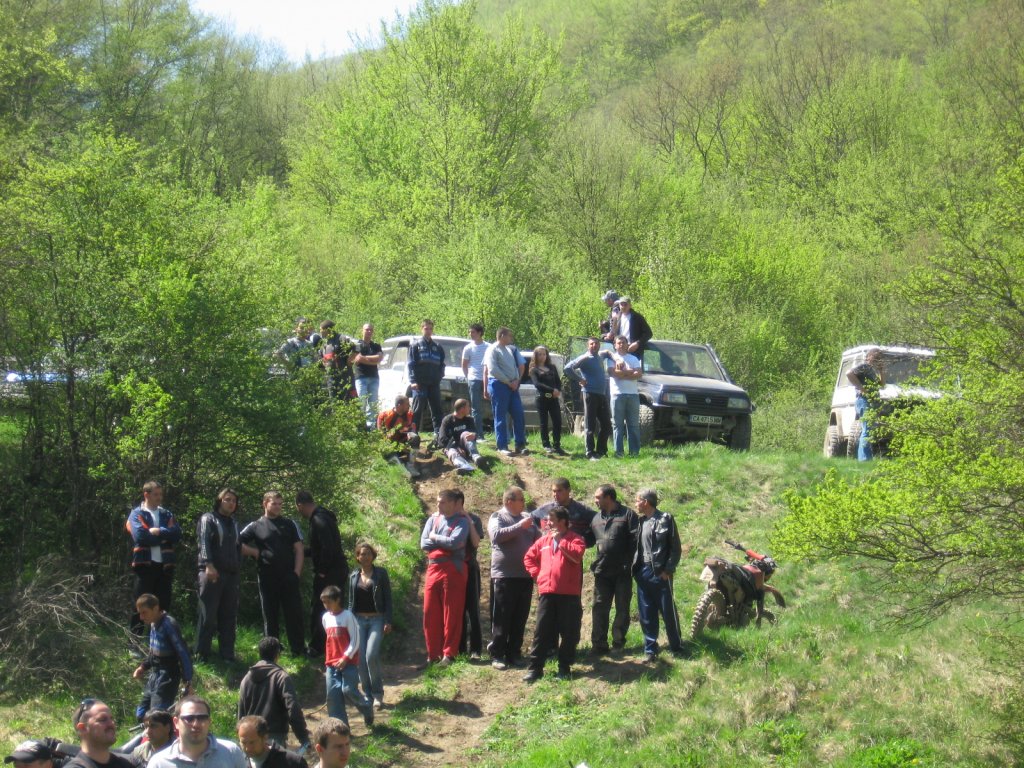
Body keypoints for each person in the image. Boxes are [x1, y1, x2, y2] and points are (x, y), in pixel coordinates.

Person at [522, 505, 586, 683]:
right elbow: (528, 558)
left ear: (562, 522)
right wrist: (537, 574)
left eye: (551, 520)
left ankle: (564, 668)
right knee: (541, 632)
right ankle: (535, 669)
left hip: (569, 595)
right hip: (547, 593)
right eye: (547, 520)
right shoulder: (543, 541)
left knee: (568, 633)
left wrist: (560, 541)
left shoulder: (576, 539)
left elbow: (577, 556)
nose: (548, 523)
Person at [239, 491, 305, 656]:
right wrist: (254, 552)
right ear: (265, 504)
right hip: (267, 577)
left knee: (294, 614)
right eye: (274, 503)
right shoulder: (255, 525)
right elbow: (235, 543)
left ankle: (298, 650)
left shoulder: (290, 524)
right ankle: (272, 651)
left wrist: (297, 572)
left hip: (289, 576)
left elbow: (299, 549)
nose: (277, 507)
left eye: (280, 504)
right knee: (270, 615)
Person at [487, 487, 540, 671]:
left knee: (520, 617)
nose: (524, 502)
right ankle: (497, 654)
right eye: (520, 499)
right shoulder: (498, 516)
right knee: (502, 617)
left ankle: (514, 653)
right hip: (505, 576)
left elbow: (539, 540)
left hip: (525, 576)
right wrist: (520, 526)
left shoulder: (527, 519)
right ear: (509, 501)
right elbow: (496, 535)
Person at [420, 488, 472, 665]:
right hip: (433, 568)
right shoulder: (432, 519)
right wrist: (441, 540)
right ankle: (433, 655)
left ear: (453, 503)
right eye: (437, 501)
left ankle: (449, 654)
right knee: (430, 613)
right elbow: (423, 543)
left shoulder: (462, 521)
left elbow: (455, 542)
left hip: (453, 569)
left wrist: (434, 537)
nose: (438, 505)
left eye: (442, 502)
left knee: (452, 613)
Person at [631, 489, 685, 661]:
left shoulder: (665, 519)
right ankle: (650, 650)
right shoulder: (640, 522)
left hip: (660, 573)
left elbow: (675, 548)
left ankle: (676, 646)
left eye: (637, 500)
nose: (635, 504)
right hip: (643, 572)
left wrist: (667, 570)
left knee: (667, 611)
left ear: (646, 502)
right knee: (646, 612)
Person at [295, 491, 349, 658]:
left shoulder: (318, 520)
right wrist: (301, 552)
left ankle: (317, 647)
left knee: (320, 607)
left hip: (331, 572)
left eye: (298, 508)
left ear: (300, 505)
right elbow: (320, 549)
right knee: (333, 608)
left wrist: (322, 571)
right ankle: (333, 645)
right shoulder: (324, 516)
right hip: (337, 569)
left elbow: (328, 548)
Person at [127, 480, 181, 635]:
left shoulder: (166, 514)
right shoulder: (137, 513)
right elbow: (141, 536)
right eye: (156, 494)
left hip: (165, 566)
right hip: (145, 565)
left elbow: (177, 534)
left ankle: (159, 641)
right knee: (140, 604)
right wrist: (164, 538)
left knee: (163, 606)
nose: (159, 497)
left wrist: (159, 531)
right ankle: (134, 642)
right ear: (146, 494)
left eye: (161, 494)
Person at [590, 485, 639, 654]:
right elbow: (588, 539)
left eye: (598, 497)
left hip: (622, 572)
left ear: (609, 498)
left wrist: (631, 564)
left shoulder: (628, 515)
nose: (595, 501)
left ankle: (618, 643)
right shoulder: (596, 519)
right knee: (599, 607)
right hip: (602, 571)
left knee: (622, 608)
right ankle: (599, 645)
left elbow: (636, 542)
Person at [194, 488, 241, 663]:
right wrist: (208, 565)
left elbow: (238, 547)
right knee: (207, 615)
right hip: (211, 572)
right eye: (228, 499)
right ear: (219, 501)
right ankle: (201, 654)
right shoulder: (208, 518)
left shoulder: (234, 523)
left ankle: (227, 655)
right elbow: (203, 542)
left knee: (229, 616)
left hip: (231, 574)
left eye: (234, 501)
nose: (231, 503)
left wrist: (237, 568)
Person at [237, 637, 310, 749]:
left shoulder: (246, 679)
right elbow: (293, 708)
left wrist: (242, 737)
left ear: (260, 653)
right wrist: (303, 737)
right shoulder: (281, 677)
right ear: (277, 655)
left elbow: (241, 713)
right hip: (274, 739)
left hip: (251, 739)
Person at [320, 585, 374, 728]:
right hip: (331, 663)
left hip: (348, 662)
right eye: (324, 602)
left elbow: (355, 640)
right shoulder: (325, 618)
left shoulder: (348, 616)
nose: (326, 605)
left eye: (329, 602)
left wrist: (345, 657)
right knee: (333, 696)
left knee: (348, 689)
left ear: (337, 600)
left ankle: (366, 707)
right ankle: (340, 729)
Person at [132, 593, 193, 722]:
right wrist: (143, 667)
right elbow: (153, 652)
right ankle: (146, 733)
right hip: (155, 675)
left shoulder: (168, 625)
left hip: (168, 677)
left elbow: (183, 653)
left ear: (155, 608)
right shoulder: (153, 624)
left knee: (157, 716)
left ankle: (168, 732)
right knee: (141, 713)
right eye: (140, 613)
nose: (141, 617)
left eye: (144, 612)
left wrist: (188, 681)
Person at [348, 542, 393, 711]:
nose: (365, 557)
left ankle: (377, 694)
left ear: (373, 556)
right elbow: (351, 602)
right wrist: (347, 623)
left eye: (368, 553)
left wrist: (388, 620)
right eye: (362, 554)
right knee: (360, 659)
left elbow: (388, 598)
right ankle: (367, 694)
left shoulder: (381, 573)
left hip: (377, 619)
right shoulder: (353, 576)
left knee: (371, 655)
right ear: (357, 557)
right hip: (358, 620)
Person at [148, 696, 246, 768]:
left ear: (209, 722)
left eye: (202, 718)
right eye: (189, 718)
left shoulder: (231, 752)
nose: (196, 724)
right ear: (176, 723)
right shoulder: (159, 763)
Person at [564, 337, 612, 460]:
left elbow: (608, 352)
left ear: (599, 345)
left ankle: (601, 451)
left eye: (596, 343)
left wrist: (616, 358)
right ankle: (590, 453)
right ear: (588, 346)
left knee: (606, 424)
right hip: (589, 393)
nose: (594, 345)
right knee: (590, 425)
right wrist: (580, 379)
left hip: (602, 394)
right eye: (591, 344)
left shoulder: (600, 356)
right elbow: (567, 368)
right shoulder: (585, 358)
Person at [483, 327, 528, 458]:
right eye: (509, 336)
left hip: (512, 386)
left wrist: (516, 381)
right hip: (499, 385)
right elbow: (493, 369)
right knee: (500, 416)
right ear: (502, 336)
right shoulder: (492, 349)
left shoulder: (509, 349)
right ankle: (502, 446)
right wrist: (508, 382)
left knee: (518, 414)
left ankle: (520, 444)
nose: (511, 338)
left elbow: (514, 367)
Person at [601, 335, 643, 457]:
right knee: (617, 425)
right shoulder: (612, 359)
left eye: (623, 342)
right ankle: (619, 452)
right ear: (615, 345)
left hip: (633, 395)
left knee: (633, 425)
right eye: (619, 343)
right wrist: (630, 372)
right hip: (617, 395)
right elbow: (613, 373)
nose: (621, 345)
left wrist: (622, 374)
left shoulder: (633, 358)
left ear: (627, 344)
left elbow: (639, 374)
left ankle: (634, 452)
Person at [65, 699, 134, 768]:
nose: (112, 723)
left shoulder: (127, 764)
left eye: (111, 718)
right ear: (82, 728)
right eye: (103, 719)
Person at [531, 478, 596, 548]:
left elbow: (598, 522)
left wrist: (586, 540)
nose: (555, 494)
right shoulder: (546, 509)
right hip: (548, 550)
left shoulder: (581, 509)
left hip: (571, 550)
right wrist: (539, 536)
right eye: (554, 491)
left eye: (559, 491)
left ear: (568, 490)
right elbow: (531, 518)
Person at [408, 319, 446, 439]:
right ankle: (413, 432)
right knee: (417, 408)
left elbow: (442, 364)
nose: (428, 331)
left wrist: (440, 376)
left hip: (434, 383)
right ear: (422, 329)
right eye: (426, 328)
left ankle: (438, 433)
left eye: (430, 329)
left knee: (437, 409)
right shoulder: (415, 345)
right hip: (420, 383)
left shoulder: (437, 347)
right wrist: (413, 381)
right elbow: (411, 364)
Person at [847, 348, 884, 461]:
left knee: (868, 430)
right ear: (868, 357)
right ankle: (864, 460)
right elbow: (849, 373)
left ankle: (865, 458)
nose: (878, 359)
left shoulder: (872, 370)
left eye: (879, 357)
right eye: (875, 356)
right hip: (864, 400)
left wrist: (881, 370)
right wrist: (861, 388)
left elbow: (882, 385)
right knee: (867, 430)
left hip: (870, 402)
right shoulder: (864, 366)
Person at [528, 345, 565, 455]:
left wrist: (557, 390)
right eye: (540, 354)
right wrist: (552, 390)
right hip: (542, 398)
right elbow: (537, 384)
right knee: (544, 423)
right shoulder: (533, 370)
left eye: (544, 354)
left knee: (557, 421)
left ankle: (557, 445)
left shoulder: (552, 367)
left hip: (553, 399)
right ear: (535, 356)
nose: (542, 356)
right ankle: (546, 444)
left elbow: (558, 381)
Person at [459, 509, 485, 661]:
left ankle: (475, 649)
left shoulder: (474, 519)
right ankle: (459, 648)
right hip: (453, 570)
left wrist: (469, 521)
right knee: (457, 611)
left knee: (473, 609)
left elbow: (476, 542)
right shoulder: (444, 519)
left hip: (470, 568)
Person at [376, 394, 421, 478]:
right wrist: (393, 444)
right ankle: (402, 469)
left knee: (415, 437)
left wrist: (409, 438)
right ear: (399, 405)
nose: (409, 406)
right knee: (391, 455)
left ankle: (411, 465)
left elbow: (413, 430)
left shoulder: (410, 415)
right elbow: (380, 435)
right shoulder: (384, 415)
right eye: (407, 404)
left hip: (403, 445)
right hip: (390, 446)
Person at [236, 717, 306, 768]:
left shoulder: (292, 763)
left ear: (264, 738)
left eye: (252, 742)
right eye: (243, 743)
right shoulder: (237, 762)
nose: (248, 748)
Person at [437, 399, 483, 474]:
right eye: (468, 406)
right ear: (462, 408)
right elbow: (442, 439)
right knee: (451, 452)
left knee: (465, 433)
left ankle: (476, 457)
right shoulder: (447, 420)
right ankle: (464, 466)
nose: (470, 408)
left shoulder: (469, 419)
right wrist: (456, 447)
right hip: (452, 447)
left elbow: (474, 432)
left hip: (467, 447)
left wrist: (474, 435)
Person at [315, 320, 356, 402]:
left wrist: (350, 360)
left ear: (327, 329)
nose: (320, 332)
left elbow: (356, 347)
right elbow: (319, 360)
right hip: (331, 380)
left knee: (348, 401)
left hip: (345, 378)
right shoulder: (324, 344)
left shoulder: (341, 338)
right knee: (334, 402)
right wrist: (323, 363)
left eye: (321, 330)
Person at [460, 323, 489, 439]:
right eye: (469, 332)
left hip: (487, 379)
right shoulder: (468, 348)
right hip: (474, 379)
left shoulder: (488, 347)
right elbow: (464, 365)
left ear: (479, 333)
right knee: (476, 408)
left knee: (494, 405)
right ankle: (479, 435)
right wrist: (469, 377)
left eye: (473, 332)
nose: (470, 334)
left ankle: (501, 435)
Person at [352, 323, 382, 428]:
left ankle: (371, 427)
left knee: (373, 404)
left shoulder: (376, 346)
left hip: (374, 378)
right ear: (362, 330)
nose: (369, 331)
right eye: (367, 329)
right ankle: (360, 427)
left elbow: (379, 358)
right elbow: (356, 359)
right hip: (361, 377)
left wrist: (364, 358)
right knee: (362, 403)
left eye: (371, 330)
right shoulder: (357, 345)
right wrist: (373, 360)